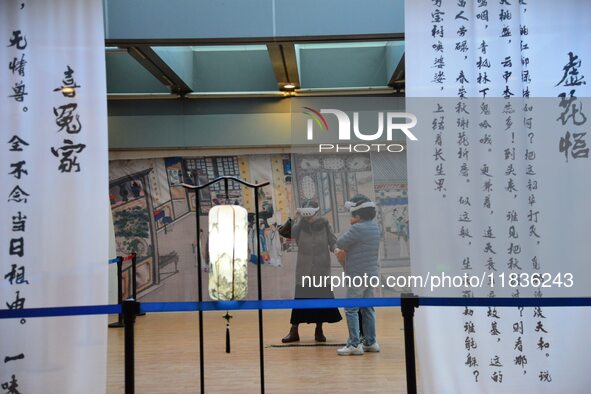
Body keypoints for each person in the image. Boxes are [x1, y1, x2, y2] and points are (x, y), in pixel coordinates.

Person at [282, 200, 342, 343]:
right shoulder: (299, 227)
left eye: (311, 214)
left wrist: (336, 249)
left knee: (320, 301)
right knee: (300, 302)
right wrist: (294, 216)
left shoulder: (325, 225)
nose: (308, 217)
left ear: (316, 212)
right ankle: (294, 331)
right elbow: (284, 232)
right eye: (305, 214)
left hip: (321, 269)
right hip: (304, 270)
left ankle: (319, 330)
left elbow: (333, 241)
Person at [334, 194, 381, 355]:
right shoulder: (375, 227)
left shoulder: (357, 228)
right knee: (368, 308)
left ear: (358, 215)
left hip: (357, 275)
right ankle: (371, 341)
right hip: (372, 273)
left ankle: (354, 344)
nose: (351, 218)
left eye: (353, 215)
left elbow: (340, 243)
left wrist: (352, 226)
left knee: (351, 308)